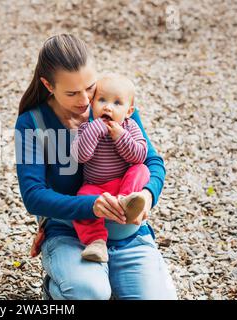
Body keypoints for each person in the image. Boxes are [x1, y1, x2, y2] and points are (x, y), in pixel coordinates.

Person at [14, 34, 177, 300]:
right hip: (70, 233)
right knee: (88, 292)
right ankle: (60, 287)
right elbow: (33, 196)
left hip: (127, 233)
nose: (85, 101)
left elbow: (151, 161)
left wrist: (147, 195)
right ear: (48, 85)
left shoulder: (111, 102)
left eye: (89, 88)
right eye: (71, 93)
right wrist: (91, 206)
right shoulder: (32, 123)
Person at [71, 73, 150, 263]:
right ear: (92, 104)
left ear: (129, 111)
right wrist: (95, 130)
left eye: (117, 103)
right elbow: (80, 156)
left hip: (122, 184)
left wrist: (121, 137)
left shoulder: (130, 127)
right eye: (102, 100)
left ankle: (126, 202)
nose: (107, 106)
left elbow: (140, 155)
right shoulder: (86, 128)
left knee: (141, 170)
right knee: (82, 200)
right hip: (95, 187)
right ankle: (96, 242)